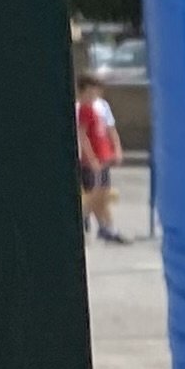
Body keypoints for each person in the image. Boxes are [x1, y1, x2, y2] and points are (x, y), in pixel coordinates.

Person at [75, 75, 124, 244]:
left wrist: (115, 150)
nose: (94, 94)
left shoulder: (99, 106)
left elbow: (108, 130)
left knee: (102, 193)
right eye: (90, 91)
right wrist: (91, 158)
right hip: (92, 159)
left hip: (102, 155)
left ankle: (106, 227)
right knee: (95, 193)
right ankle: (84, 216)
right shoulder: (83, 109)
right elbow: (83, 136)